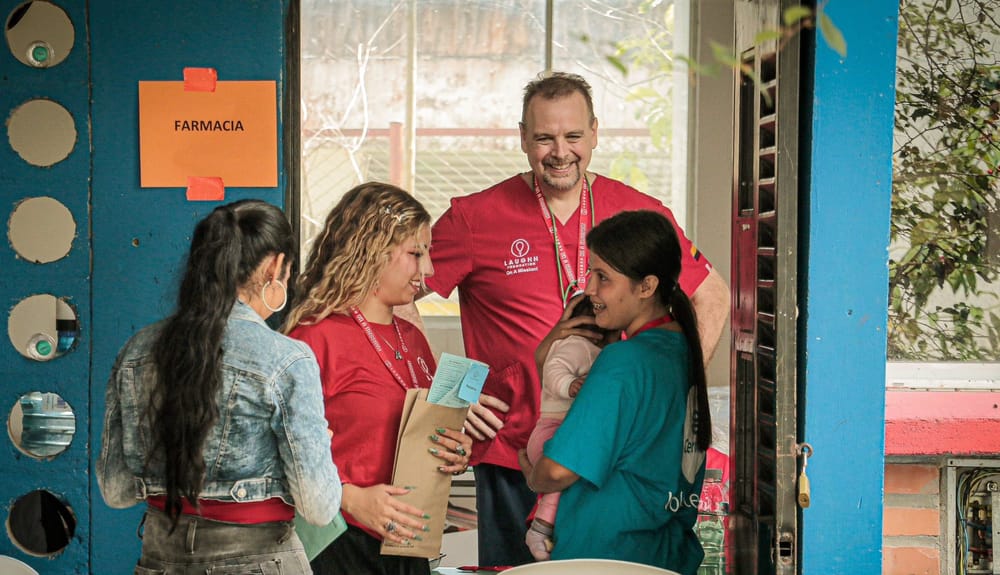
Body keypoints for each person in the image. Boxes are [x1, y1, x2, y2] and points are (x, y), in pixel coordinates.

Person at [422, 71, 730, 565]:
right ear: (522, 137)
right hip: (516, 448)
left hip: (610, 458)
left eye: (572, 136)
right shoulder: (473, 217)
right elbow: (394, 297)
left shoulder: (637, 211)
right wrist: (451, 396)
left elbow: (712, 295)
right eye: (544, 137)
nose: (559, 151)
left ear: (594, 133)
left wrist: (673, 395)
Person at [97, 199, 342, 575]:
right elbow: (320, 508)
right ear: (275, 266)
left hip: (160, 559)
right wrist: (318, 443)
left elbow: (115, 491)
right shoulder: (287, 359)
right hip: (259, 559)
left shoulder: (137, 351)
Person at [284, 182, 472, 575]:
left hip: (408, 541)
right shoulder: (313, 338)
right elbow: (274, 453)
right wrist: (350, 499)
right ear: (372, 252)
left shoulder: (416, 340)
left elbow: (420, 434)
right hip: (338, 541)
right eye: (415, 254)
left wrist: (454, 449)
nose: (429, 270)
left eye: (429, 254)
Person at [521, 209, 711, 574]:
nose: (589, 289)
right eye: (592, 274)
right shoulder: (680, 350)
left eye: (603, 277)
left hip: (607, 557)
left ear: (646, 286)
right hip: (666, 556)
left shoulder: (625, 361)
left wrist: (532, 473)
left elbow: (558, 470)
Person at [523, 295, 617, 560]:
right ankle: (540, 529)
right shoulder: (576, 345)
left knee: (562, 487)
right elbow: (555, 368)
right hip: (551, 430)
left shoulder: (600, 352)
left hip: (558, 431)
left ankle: (543, 529)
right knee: (558, 481)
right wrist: (569, 385)